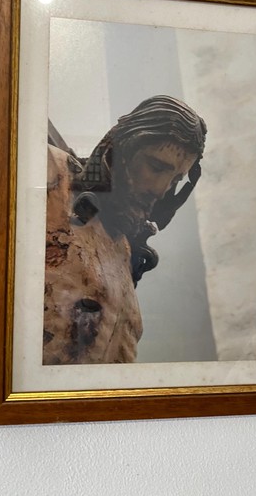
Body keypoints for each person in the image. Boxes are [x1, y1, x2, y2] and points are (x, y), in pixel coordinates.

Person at [43, 95, 207, 365]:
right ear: (120, 150)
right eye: (155, 167)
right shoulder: (53, 174)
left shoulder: (125, 251)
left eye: (175, 180)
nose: (161, 190)